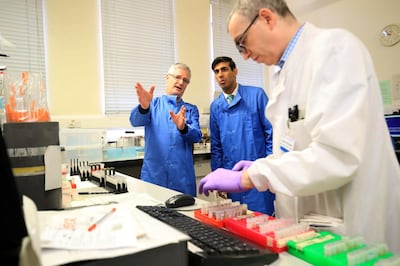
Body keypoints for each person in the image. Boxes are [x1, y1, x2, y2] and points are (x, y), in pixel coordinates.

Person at [199, 0, 400, 253]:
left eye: (242, 42)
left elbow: (337, 156)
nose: (245, 54)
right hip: (309, 227)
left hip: (350, 226)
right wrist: (267, 163)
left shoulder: (334, 49)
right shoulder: (283, 73)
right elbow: (295, 144)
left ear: (267, 18)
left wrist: (250, 176)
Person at [209, 56, 275, 215]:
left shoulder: (257, 95)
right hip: (232, 178)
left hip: (257, 174)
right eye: (216, 71)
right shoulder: (216, 106)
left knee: (263, 222)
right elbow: (216, 146)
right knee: (237, 224)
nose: (220, 75)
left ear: (235, 71)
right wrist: (219, 177)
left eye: (224, 69)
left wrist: (270, 167)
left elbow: (271, 133)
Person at [130, 63, 202, 197]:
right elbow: (135, 121)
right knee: (151, 215)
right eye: (177, 77)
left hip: (182, 180)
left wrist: (183, 128)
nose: (181, 82)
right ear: (167, 78)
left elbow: (197, 136)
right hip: (154, 178)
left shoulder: (190, 110)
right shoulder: (153, 104)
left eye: (185, 80)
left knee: (184, 217)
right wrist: (143, 107)